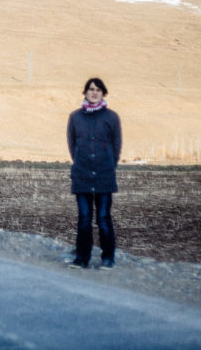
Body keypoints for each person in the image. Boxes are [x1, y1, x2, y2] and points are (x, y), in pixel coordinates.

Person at [66, 77, 122, 268]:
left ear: (103, 93)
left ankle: (108, 258)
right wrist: (81, 161)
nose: (94, 92)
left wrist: (107, 164)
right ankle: (82, 258)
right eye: (91, 89)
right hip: (82, 176)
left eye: (98, 90)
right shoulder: (75, 117)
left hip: (104, 177)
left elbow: (116, 146)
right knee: (84, 219)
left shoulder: (112, 117)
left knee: (103, 218)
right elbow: (72, 145)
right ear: (85, 92)